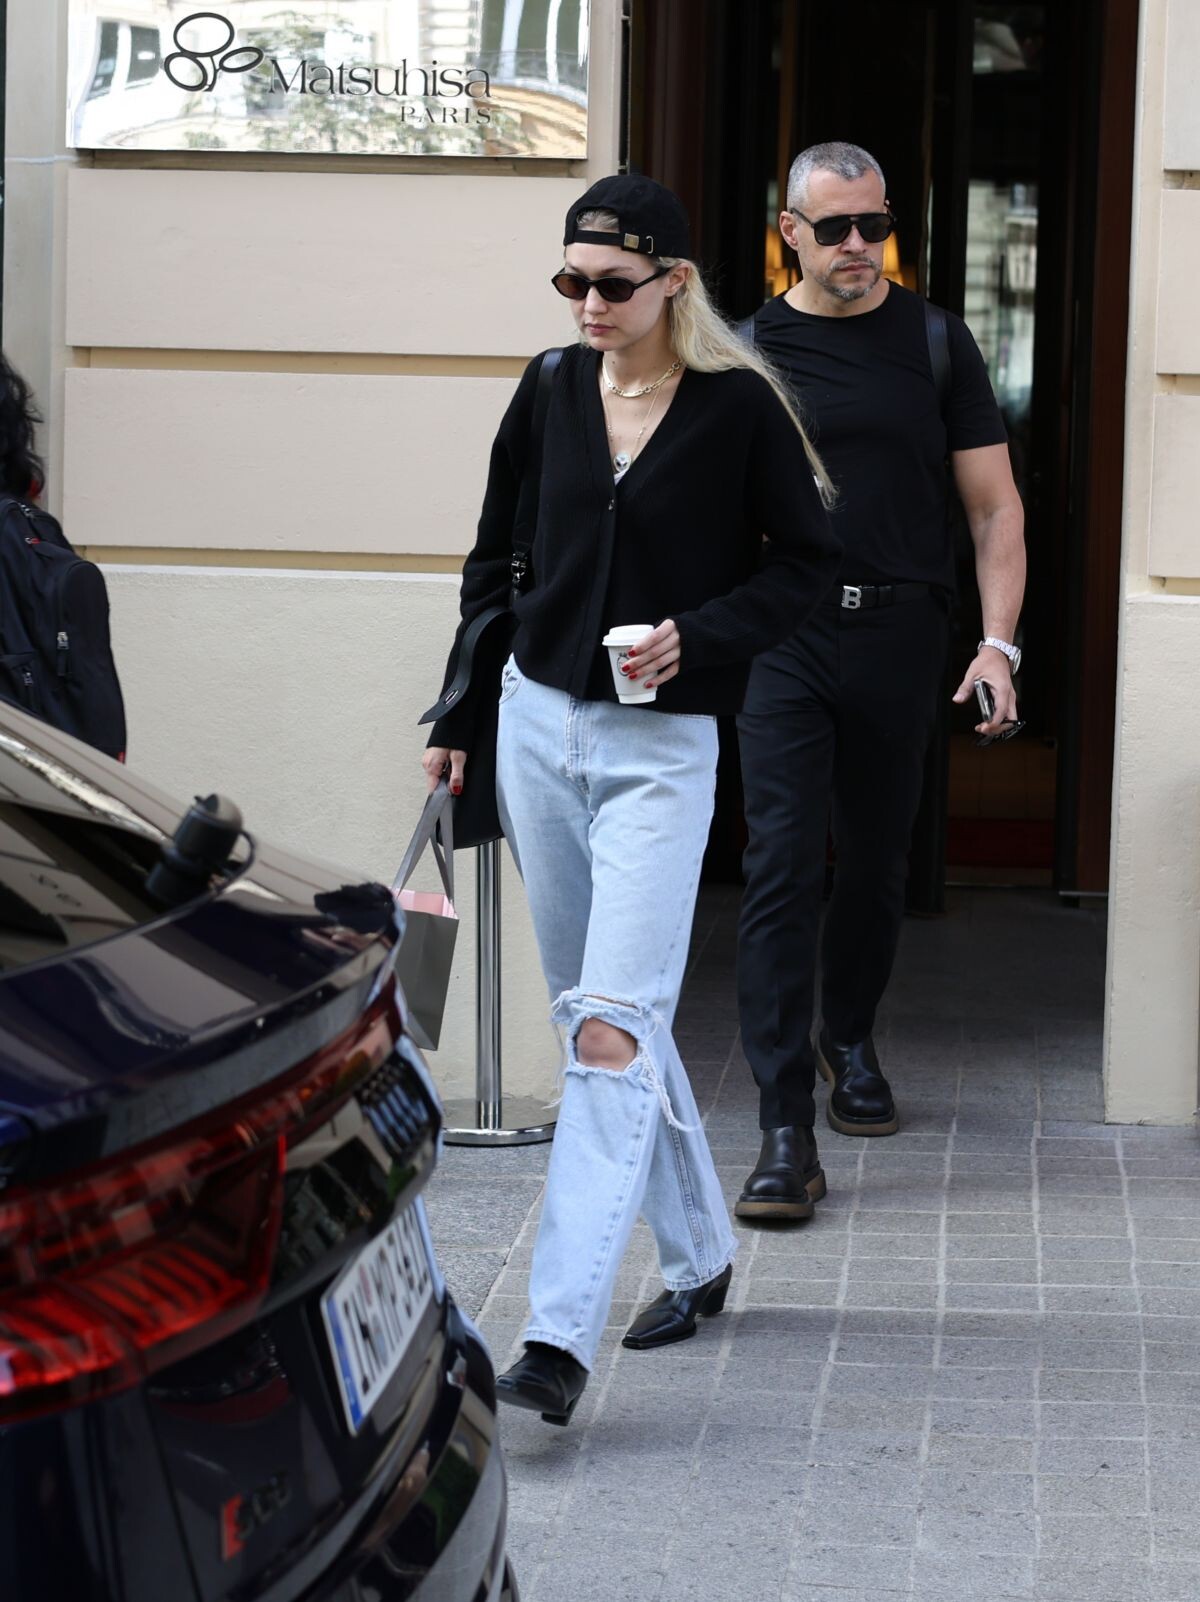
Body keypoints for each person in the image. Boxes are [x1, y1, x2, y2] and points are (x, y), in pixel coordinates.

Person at [422, 173, 841, 1424]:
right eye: (572, 282)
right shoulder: (550, 388)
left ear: (674, 282)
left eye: (612, 283)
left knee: (608, 1031)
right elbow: (493, 560)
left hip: (661, 750)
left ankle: (555, 1338)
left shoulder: (738, 408)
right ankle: (702, 1254)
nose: (588, 304)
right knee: (608, 1022)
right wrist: (461, 715)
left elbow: (804, 569)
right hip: (536, 729)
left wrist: (695, 638)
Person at [735, 142, 1026, 1220]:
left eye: (876, 225)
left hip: (903, 631)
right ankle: (782, 1128)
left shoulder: (937, 342)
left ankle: (847, 1036)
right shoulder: (745, 350)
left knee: (873, 862)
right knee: (778, 866)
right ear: (791, 233)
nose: (859, 246)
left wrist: (997, 646)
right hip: (784, 634)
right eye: (836, 228)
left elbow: (994, 508)